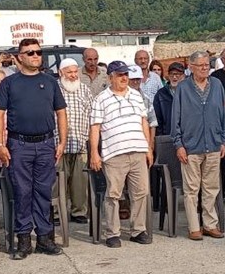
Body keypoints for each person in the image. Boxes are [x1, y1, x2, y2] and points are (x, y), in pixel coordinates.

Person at [0, 38, 67, 259]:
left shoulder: (50, 82)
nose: (36, 56)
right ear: (20, 57)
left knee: (43, 191)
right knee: (22, 192)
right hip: (19, 144)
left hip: (45, 144)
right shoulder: (9, 83)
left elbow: (61, 111)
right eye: (31, 52)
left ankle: (45, 238)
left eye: (38, 52)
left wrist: (62, 141)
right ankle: (23, 240)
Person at [89, 60, 154, 247]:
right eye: (119, 75)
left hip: (138, 151)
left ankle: (138, 230)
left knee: (141, 192)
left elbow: (144, 122)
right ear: (110, 77)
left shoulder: (136, 96)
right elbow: (95, 127)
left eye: (125, 74)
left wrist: (148, 148)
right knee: (113, 194)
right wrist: (95, 152)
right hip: (114, 153)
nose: (124, 78)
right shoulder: (101, 99)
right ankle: (112, 233)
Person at [171, 50, 225, 240]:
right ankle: (194, 227)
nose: (205, 68)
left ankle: (210, 224)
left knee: (211, 187)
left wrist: (222, 139)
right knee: (191, 189)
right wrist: (179, 144)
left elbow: (222, 115)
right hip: (190, 146)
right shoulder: (183, 88)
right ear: (191, 67)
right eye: (201, 65)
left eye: (207, 65)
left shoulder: (217, 85)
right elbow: (175, 118)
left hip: (213, 143)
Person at [58, 58, 92, 224]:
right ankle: (57, 213)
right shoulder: (54, 89)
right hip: (58, 144)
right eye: (69, 72)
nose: (72, 75)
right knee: (57, 181)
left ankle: (79, 212)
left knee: (80, 181)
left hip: (80, 143)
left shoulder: (84, 89)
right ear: (61, 73)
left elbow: (92, 115)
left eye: (74, 72)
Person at [152, 61, 185, 135]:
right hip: (168, 135)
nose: (174, 77)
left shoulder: (190, 93)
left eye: (178, 74)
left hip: (188, 136)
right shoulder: (161, 94)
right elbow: (157, 119)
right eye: (172, 74)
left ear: (183, 76)